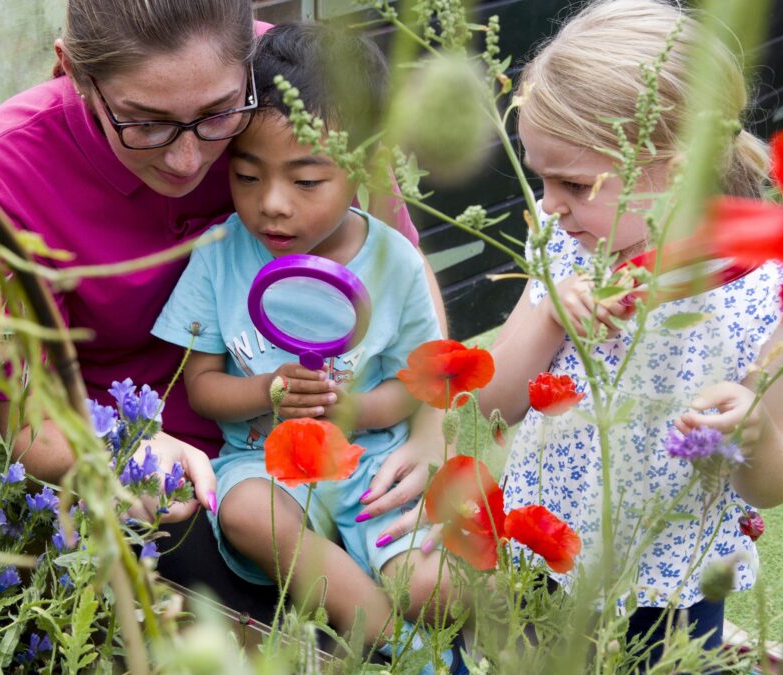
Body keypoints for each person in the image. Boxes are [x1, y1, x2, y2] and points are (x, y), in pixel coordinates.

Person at [0, 0, 448, 620]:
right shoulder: (2, 176)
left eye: (217, 116)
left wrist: (430, 430)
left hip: (351, 438)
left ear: (249, 61)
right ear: (73, 71)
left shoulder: (293, 82)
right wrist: (124, 448)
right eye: (144, 123)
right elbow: (28, 419)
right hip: (181, 478)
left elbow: (397, 258)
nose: (188, 161)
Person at [474, 0, 783, 666]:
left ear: (679, 166)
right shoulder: (564, 243)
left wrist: (754, 433)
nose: (549, 203)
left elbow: (774, 485)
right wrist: (548, 313)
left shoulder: (764, 294)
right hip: (545, 546)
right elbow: (491, 402)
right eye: (539, 177)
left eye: (569, 181)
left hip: (674, 583)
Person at [152, 24, 460, 669]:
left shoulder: (395, 262)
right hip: (262, 461)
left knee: (435, 588)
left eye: (307, 182)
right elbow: (201, 385)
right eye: (245, 176)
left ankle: (447, 627)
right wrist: (265, 392)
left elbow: (421, 380)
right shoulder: (217, 254)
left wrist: (356, 409)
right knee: (244, 514)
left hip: (369, 461)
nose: (271, 206)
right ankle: (402, 653)